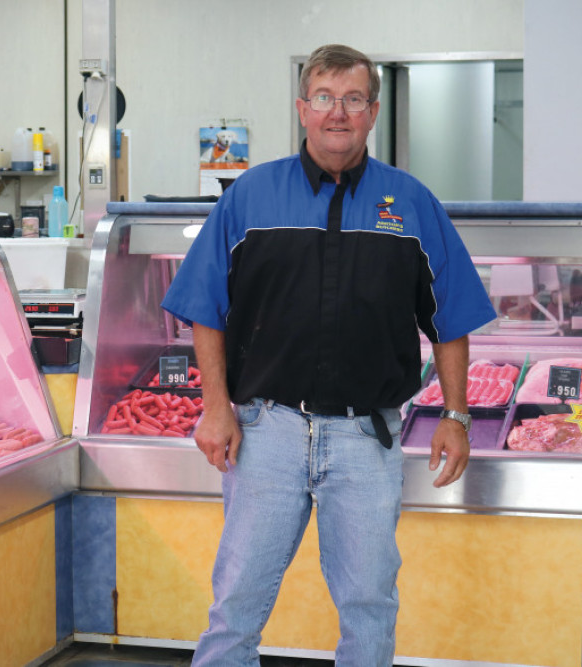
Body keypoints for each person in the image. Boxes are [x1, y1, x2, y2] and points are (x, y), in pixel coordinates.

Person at [161, 44, 496, 666]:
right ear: (302, 110)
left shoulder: (413, 203)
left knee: (370, 606)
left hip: (366, 440)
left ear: (372, 112)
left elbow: (451, 317)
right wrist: (215, 408)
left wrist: (455, 414)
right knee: (235, 608)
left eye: (352, 100)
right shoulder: (250, 196)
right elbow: (204, 307)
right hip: (265, 432)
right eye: (324, 98)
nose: (337, 113)